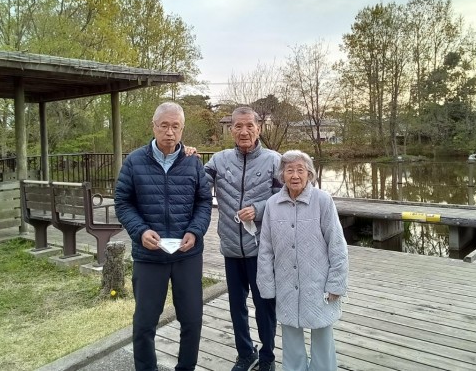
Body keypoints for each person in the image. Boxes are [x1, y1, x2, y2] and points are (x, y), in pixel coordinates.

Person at [115, 102, 212, 371]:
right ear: (154, 126)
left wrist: (195, 231)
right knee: (144, 322)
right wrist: (140, 231)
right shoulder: (134, 161)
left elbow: (204, 202)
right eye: (164, 126)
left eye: (175, 126)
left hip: (186, 254)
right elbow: (123, 202)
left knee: (192, 320)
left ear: (182, 129)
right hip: (149, 255)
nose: (170, 132)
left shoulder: (193, 162)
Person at [204, 106, 281, 371]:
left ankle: (267, 357)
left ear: (258, 128)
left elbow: (285, 198)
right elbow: (197, 183)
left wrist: (258, 209)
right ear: (231, 130)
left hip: (261, 249)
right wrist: (185, 155)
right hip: (230, 247)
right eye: (238, 126)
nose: (244, 131)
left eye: (249, 126)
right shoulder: (219, 160)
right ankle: (246, 353)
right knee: (236, 306)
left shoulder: (274, 160)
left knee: (264, 305)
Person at [257, 150, 349, 371]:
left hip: (318, 282)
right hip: (286, 283)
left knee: (322, 332)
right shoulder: (272, 204)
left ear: (309, 174)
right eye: (289, 170)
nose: (295, 175)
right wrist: (267, 285)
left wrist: (336, 283)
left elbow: (337, 244)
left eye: (300, 170)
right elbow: (265, 249)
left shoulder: (323, 201)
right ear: (282, 174)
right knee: (290, 335)